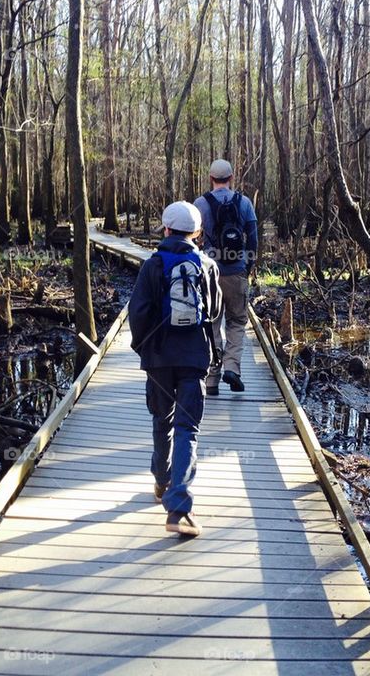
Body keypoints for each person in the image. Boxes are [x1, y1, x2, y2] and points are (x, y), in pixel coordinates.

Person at [128, 201, 222, 537]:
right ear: (196, 232)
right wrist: (216, 353)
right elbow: (215, 313)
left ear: (166, 229)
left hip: (159, 357)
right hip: (194, 357)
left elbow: (138, 312)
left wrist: (142, 347)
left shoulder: (152, 265)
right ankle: (178, 508)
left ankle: (161, 480)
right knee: (187, 429)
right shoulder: (207, 265)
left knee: (161, 420)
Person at [194, 159, 258, 396]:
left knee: (211, 322)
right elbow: (253, 239)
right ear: (231, 178)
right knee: (237, 322)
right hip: (236, 271)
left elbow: (191, 239)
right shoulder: (245, 203)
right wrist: (247, 267)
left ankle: (212, 379)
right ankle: (232, 368)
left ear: (211, 178)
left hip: (209, 274)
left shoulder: (200, 204)